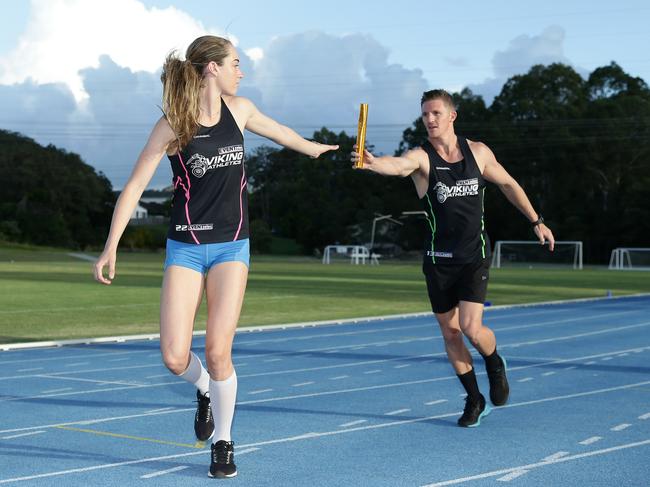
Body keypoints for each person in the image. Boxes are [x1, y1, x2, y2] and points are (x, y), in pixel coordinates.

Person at [93, 35, 338, 478]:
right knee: (173, 356)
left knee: (219, 350)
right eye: (235, 63)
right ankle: (204, 386)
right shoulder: (173, 124)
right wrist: (111, 246)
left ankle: (223, 442)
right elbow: (133, 187)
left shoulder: (240, 110)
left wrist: (316, 148)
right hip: (185, 247)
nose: (241, 71)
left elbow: (280, 132)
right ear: (211, 68)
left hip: (232, 245)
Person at [351, 89, 555, 427]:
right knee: (450, 333)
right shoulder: (423, 157)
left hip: (474, 254)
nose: (429, 120)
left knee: (472, 328)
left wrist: (536, 221)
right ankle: (474, 399)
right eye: (425, 115)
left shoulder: (478, 152)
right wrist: (374, 163)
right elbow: (399, 166)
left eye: (435, 114)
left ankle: (494, 361)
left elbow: (508, 184)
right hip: (438, 260)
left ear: (451, 116)